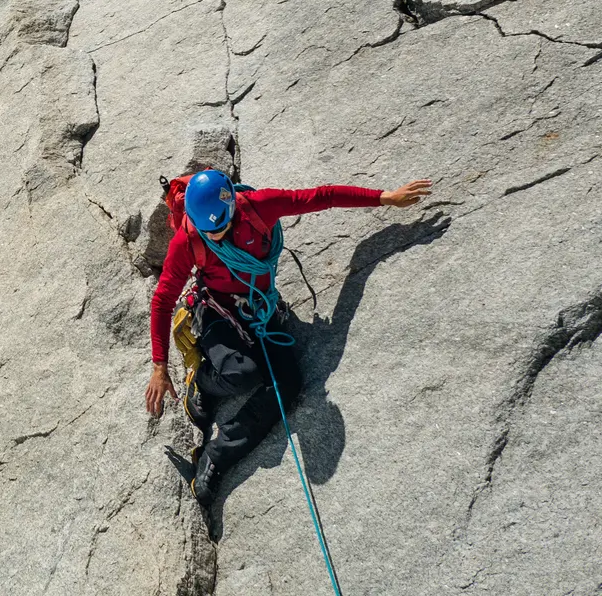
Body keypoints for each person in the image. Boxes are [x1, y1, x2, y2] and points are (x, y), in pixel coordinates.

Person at [145, 170, 431, 507]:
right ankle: (203, 382)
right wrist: (160, 366)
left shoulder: (258, 207)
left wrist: (385, 197)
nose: (216, 237)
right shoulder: (190, 238)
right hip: (217, 313)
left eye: (220, 227)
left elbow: (321, 196)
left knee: (287, 383)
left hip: (259, 310)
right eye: (209, 231)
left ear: (232, 207)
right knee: (242, 373)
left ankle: (216, 457)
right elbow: (163, 299)